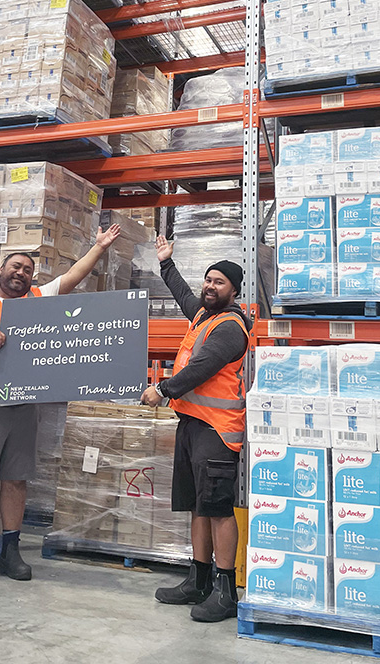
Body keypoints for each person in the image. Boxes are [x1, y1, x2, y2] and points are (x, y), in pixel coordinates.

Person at [0, 224, 121, 585]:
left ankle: (11, 551)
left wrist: (99, 247)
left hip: (24, 406)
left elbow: (72, 277)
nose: (20, 273)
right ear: (2, 270)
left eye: (26, 270)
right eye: (15, 267)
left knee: (16, 480)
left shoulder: (39, 300)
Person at [141, 235, 251, 623]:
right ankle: (199, 579)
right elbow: (184, 295)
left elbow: (202, 366)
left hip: (218, 431)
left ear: (233, 290)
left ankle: (225, 590)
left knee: (218, 509)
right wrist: (166, 263)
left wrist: (163, 389)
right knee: (196, 506)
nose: (209, 286)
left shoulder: (231, 326)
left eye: (219, 282)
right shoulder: (203, 315)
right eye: (208, 280)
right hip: (192, 424)